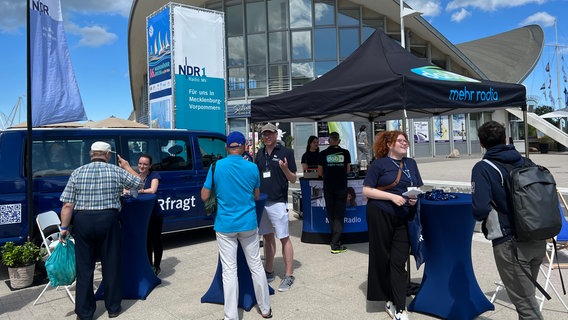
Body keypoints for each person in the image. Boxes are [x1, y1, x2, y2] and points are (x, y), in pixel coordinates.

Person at [59, 141, 142, 320]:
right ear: (108, 155)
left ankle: (84, 312)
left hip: (83, 222)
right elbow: (138, 183)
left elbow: (67, 205)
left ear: (91, 154)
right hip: (108, 220)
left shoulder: (77, 172)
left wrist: (64, 228)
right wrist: (127, 166)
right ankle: (113, 308)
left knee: (84, 267)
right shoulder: (116, 171)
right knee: (111, 264)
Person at [471, 121, 545, 319]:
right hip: (537, 237)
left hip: (510, 243)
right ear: (506, 139)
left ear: (481, 143)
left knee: (527, 307)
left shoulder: (483, 168)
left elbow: (479, 209)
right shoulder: (526, 162)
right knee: (527, 298)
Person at [201, 131, 272, 320]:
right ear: (243, 146)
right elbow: (256, 196)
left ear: (227, 147)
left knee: (229, 271)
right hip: (248, 222)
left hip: (225, 225)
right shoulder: (252, 168)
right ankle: (265, 308)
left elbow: (204, 196)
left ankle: (231, 316)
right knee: (256, 265)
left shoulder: (216, 166)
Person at [362, 131, 422, 320]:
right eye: (401, 141)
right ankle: (389, 299)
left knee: (399, 259)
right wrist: (392, 197)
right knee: (382, 257)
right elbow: (366, 191)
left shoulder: (411, 163)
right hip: (380, 213)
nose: (405, 143)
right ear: (389, 144)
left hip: (404, 217)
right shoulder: (379, 164)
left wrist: (413, 198)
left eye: (406, 140)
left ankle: (400, 305)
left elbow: (418, 187)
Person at [255, 123, 297, 292]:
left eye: (270, 133)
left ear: (275, 134)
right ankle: (269, 271)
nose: (267, 136)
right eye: (264, 134)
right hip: (262, 202)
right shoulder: (259, 153)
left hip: (278, 202)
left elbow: (293, 179)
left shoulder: (286, 153)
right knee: (267, 237)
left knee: (284, 237)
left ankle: (288, 275)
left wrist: (285, 169)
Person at [317, 132, 351, 254]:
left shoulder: (322, 154)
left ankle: (334, 241)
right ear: (339, 140)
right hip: (341, 187)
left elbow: (320, 172)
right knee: (339, 216)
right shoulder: (346, 153)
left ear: (329, 140)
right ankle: (335, 243)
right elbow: (348, 170)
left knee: (331, 215)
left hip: (329, 187)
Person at [137, 154, 163, 275]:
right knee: (146, 241)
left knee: (156, 240)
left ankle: (157, 266)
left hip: (154, 214)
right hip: (142, 215)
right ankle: (148, 265)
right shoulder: (136, 176)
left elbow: (153, 190)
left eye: (145, 164)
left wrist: (139, 191)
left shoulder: (154, 175)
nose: (142, 166)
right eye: (140, 163)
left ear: (150, 166)